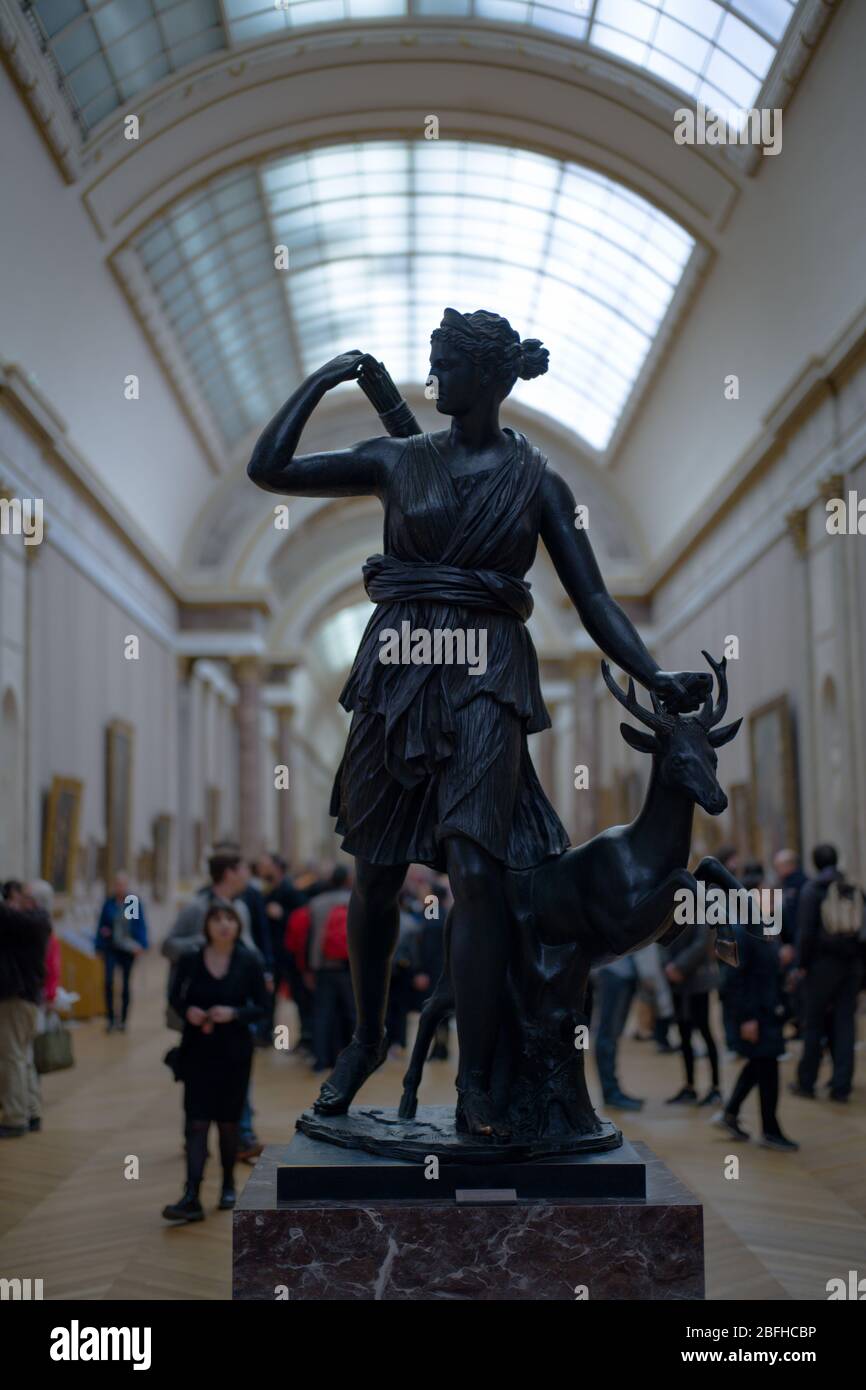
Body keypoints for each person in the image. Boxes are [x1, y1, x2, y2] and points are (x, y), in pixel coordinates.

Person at [248, 307, 711, 1136]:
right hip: (399, 672)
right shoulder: (397, 459)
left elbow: (593, 596)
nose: (433, 381)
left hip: (488, 676)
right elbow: (269, 467)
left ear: (488, 376)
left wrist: (652, 671)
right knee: (376, 870)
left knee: (477, 871)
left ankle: (474, 1085)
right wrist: (324, 379)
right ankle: (363, 1043)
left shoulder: (539, 483)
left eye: (446, 366)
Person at [162, 904, 268, 1223]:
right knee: (196, 1121)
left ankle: (228, 1185)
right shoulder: (191, 959)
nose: (223, 925)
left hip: (234, 1052)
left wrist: (234, 1013)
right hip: (197, 1050)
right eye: (217, 920)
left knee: (227, 1123)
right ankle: (191, 1194)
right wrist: (189, 1012)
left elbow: (263, 1006)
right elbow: (175, 997)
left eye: (229, 920)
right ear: (207, 926)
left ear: (237, 927)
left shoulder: (249, 961)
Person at [163, 851, 264, 1158]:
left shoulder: (241, 908)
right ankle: (195, 1136)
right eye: (244, 868)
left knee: (237, 1075)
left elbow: (247, 948)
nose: (249, 873)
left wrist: (260, 971)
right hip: (200, 1008)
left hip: (234, 1007)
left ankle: (240, 1136)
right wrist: (206, 943)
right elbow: (168, 945)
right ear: (229, 873)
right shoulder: (196, 907)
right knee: (198, 1077)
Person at [713, 916, 798, 1151]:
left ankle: (730, 1113)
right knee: (767, 1068)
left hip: (768, 1011)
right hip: (757, 1014)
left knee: (759, 1064)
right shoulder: (743, 932)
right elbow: (735, 979)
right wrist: (747, 1018)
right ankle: (770, 1130)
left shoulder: (764, 930)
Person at [792, 844, 865, 1102]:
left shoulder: (813, 890)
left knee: (814, 1025)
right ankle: (841, 1086)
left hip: (821, 967)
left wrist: (801, 965)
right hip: (851, 966)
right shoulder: (853, 888)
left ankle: (807, 1082)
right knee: (845, 1024)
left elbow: (806, 934)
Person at [0, 901, 49, 1137]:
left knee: (13, 1059)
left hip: (16, 1000)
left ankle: (15, 1118)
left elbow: (6, 914)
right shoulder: (34, 924)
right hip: (27, 999)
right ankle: (31, 1112)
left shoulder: (31, 923)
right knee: (23, 1058)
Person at [664, 921, 721, 1106]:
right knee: (684, 1034)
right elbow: (661, 940)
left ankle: (716, 1088)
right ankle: (689, 1086)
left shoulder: (700, 908)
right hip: (677, 982)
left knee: (705, 1032)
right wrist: (669, 967)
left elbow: (701, 943)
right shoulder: (672, 908)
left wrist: (678, 966)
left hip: (697, 981)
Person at [306, 867, 354, 1072]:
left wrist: (311, 966)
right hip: (350, 967)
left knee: (322, 1015)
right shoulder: (355, 899)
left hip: (324, 966)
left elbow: (311, 937)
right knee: (353, 1013)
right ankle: (355, 1059)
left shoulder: (316, 903)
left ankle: (320, 1060)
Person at [95, 872, 148, 1032]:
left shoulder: (131, 902)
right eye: (117, 884)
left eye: (122, 884)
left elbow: (135, 925)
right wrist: (100, 944)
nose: (119, 888)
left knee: (125, 983)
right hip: (111, 947)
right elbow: (102, 925)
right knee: (109, 982)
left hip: (127, 949)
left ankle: (123, 1020)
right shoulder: (109, 903)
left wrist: (140, 944)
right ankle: (111, 1018)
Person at [593, 954, 643, 1111]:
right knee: (607, 1036)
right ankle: (610, 1092)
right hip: (614, 972)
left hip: (618, 972)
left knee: (611, 1036)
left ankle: (612, 1090)